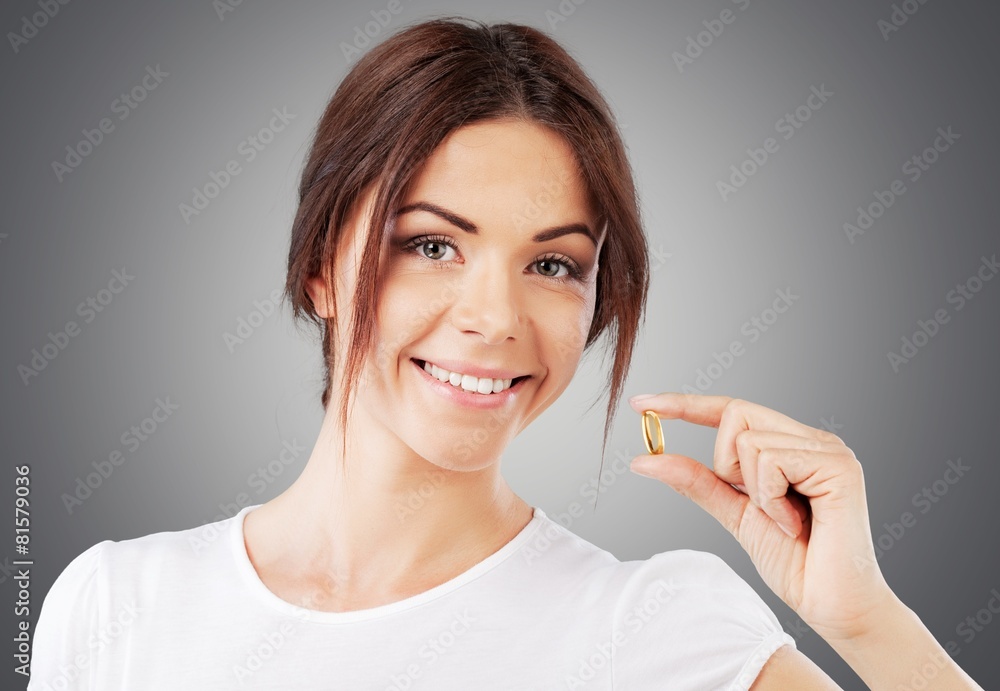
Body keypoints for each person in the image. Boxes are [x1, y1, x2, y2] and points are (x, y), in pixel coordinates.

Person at [29, 16, 984, 690]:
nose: (496, 317)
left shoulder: (656, 633)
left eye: (555, 264)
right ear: (322, 267)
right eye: (433, 244)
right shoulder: (116, 604)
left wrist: (868, 622)